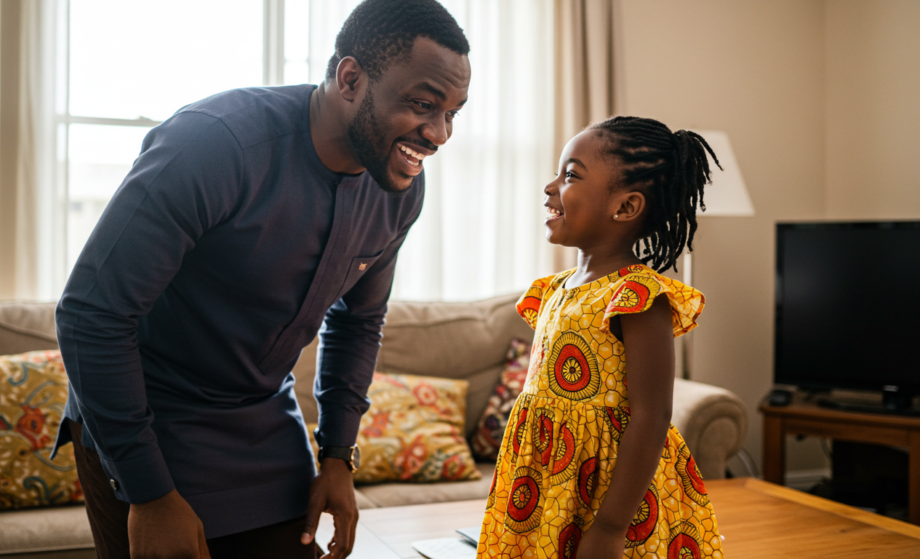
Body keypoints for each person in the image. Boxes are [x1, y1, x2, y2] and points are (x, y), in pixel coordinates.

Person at [50, 1, 470, 558]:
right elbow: (91, 314)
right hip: (146, 415)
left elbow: (359, 322)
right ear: (350, 78)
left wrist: (339, 455)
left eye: (453, 113)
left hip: (262, 420)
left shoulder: (399, 188)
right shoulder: (213, 144)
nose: (439, 134)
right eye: (423, 105)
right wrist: (149, 494)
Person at [477, 116, 725, 559]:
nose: (551, 187)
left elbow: (653, 416)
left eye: (570, 175)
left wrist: (610, 527)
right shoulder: (553, 290)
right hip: (545, 486)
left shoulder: (639, 296)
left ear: (626, 207)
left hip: (611, 496)